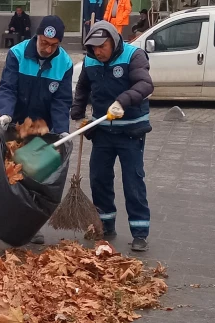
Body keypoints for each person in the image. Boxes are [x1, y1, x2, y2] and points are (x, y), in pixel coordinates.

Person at [0, 15, 74, 245]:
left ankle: (30, 225)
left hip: (41, 129)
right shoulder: (17, 53)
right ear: (38, 37)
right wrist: (5, 113)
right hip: (13, 123)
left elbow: (61, 101)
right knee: (4, 176)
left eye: (53, 46)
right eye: (44, 42)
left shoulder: (65, 63)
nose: (47, 48)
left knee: (34, 177)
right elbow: (8, 87)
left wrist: (61, 130)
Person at [71, 21, 154, 252]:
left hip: (130, 132)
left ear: (114, 41)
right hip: (103, 132)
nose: (98, 51)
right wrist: (78, 114)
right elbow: (83, 88)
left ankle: (139, 232)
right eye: (94, 47)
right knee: (99, 179)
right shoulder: (90, 60)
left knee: (133, 182)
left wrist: (123, 101)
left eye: (102, 46)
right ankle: (105, 225)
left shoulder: (133, 56)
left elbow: (145, 85)